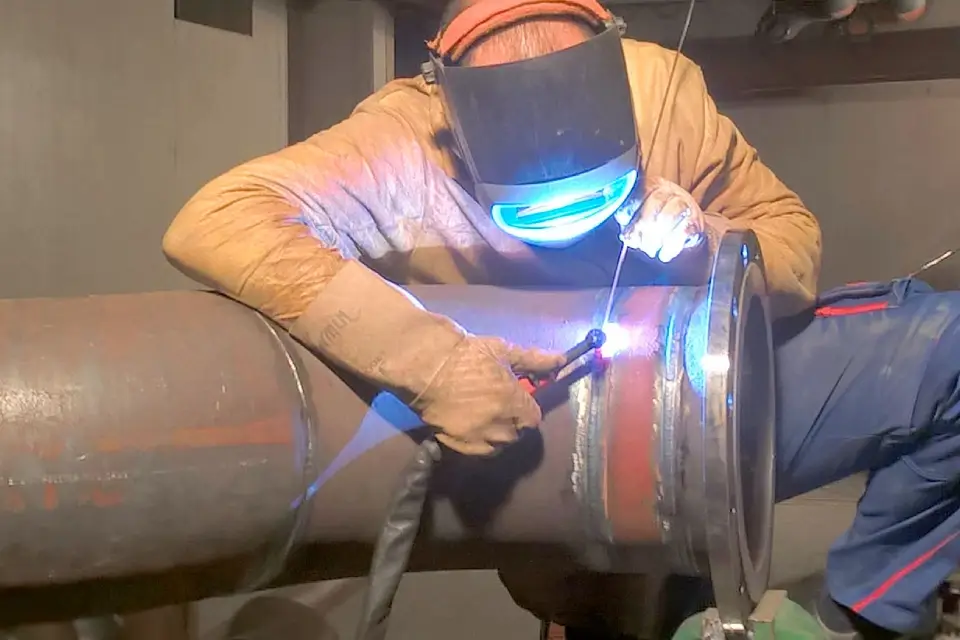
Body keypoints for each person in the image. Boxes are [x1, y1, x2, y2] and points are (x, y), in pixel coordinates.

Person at [161, 0, 959, 637]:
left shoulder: (663, 93)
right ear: (457, 131)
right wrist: (428, 361)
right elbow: (215, 220)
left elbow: (796, 250)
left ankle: (860, 616)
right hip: (542, 447)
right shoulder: (405, 141)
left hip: (723, 394)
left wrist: (701, 242)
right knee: (626, 614)